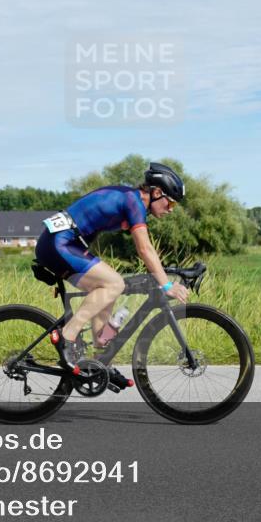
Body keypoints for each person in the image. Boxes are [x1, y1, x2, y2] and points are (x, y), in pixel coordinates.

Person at [34, 162, 190, 384]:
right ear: (156, 193)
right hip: (58, 244)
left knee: (109, 287)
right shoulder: (134, 202)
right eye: (171, 201)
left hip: (64, 243)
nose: (171, 208)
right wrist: (166, 285)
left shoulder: (130, 199)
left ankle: (101, 360)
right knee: (114, 283)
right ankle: (66, 336)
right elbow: (145, 249)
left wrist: (161, 273)